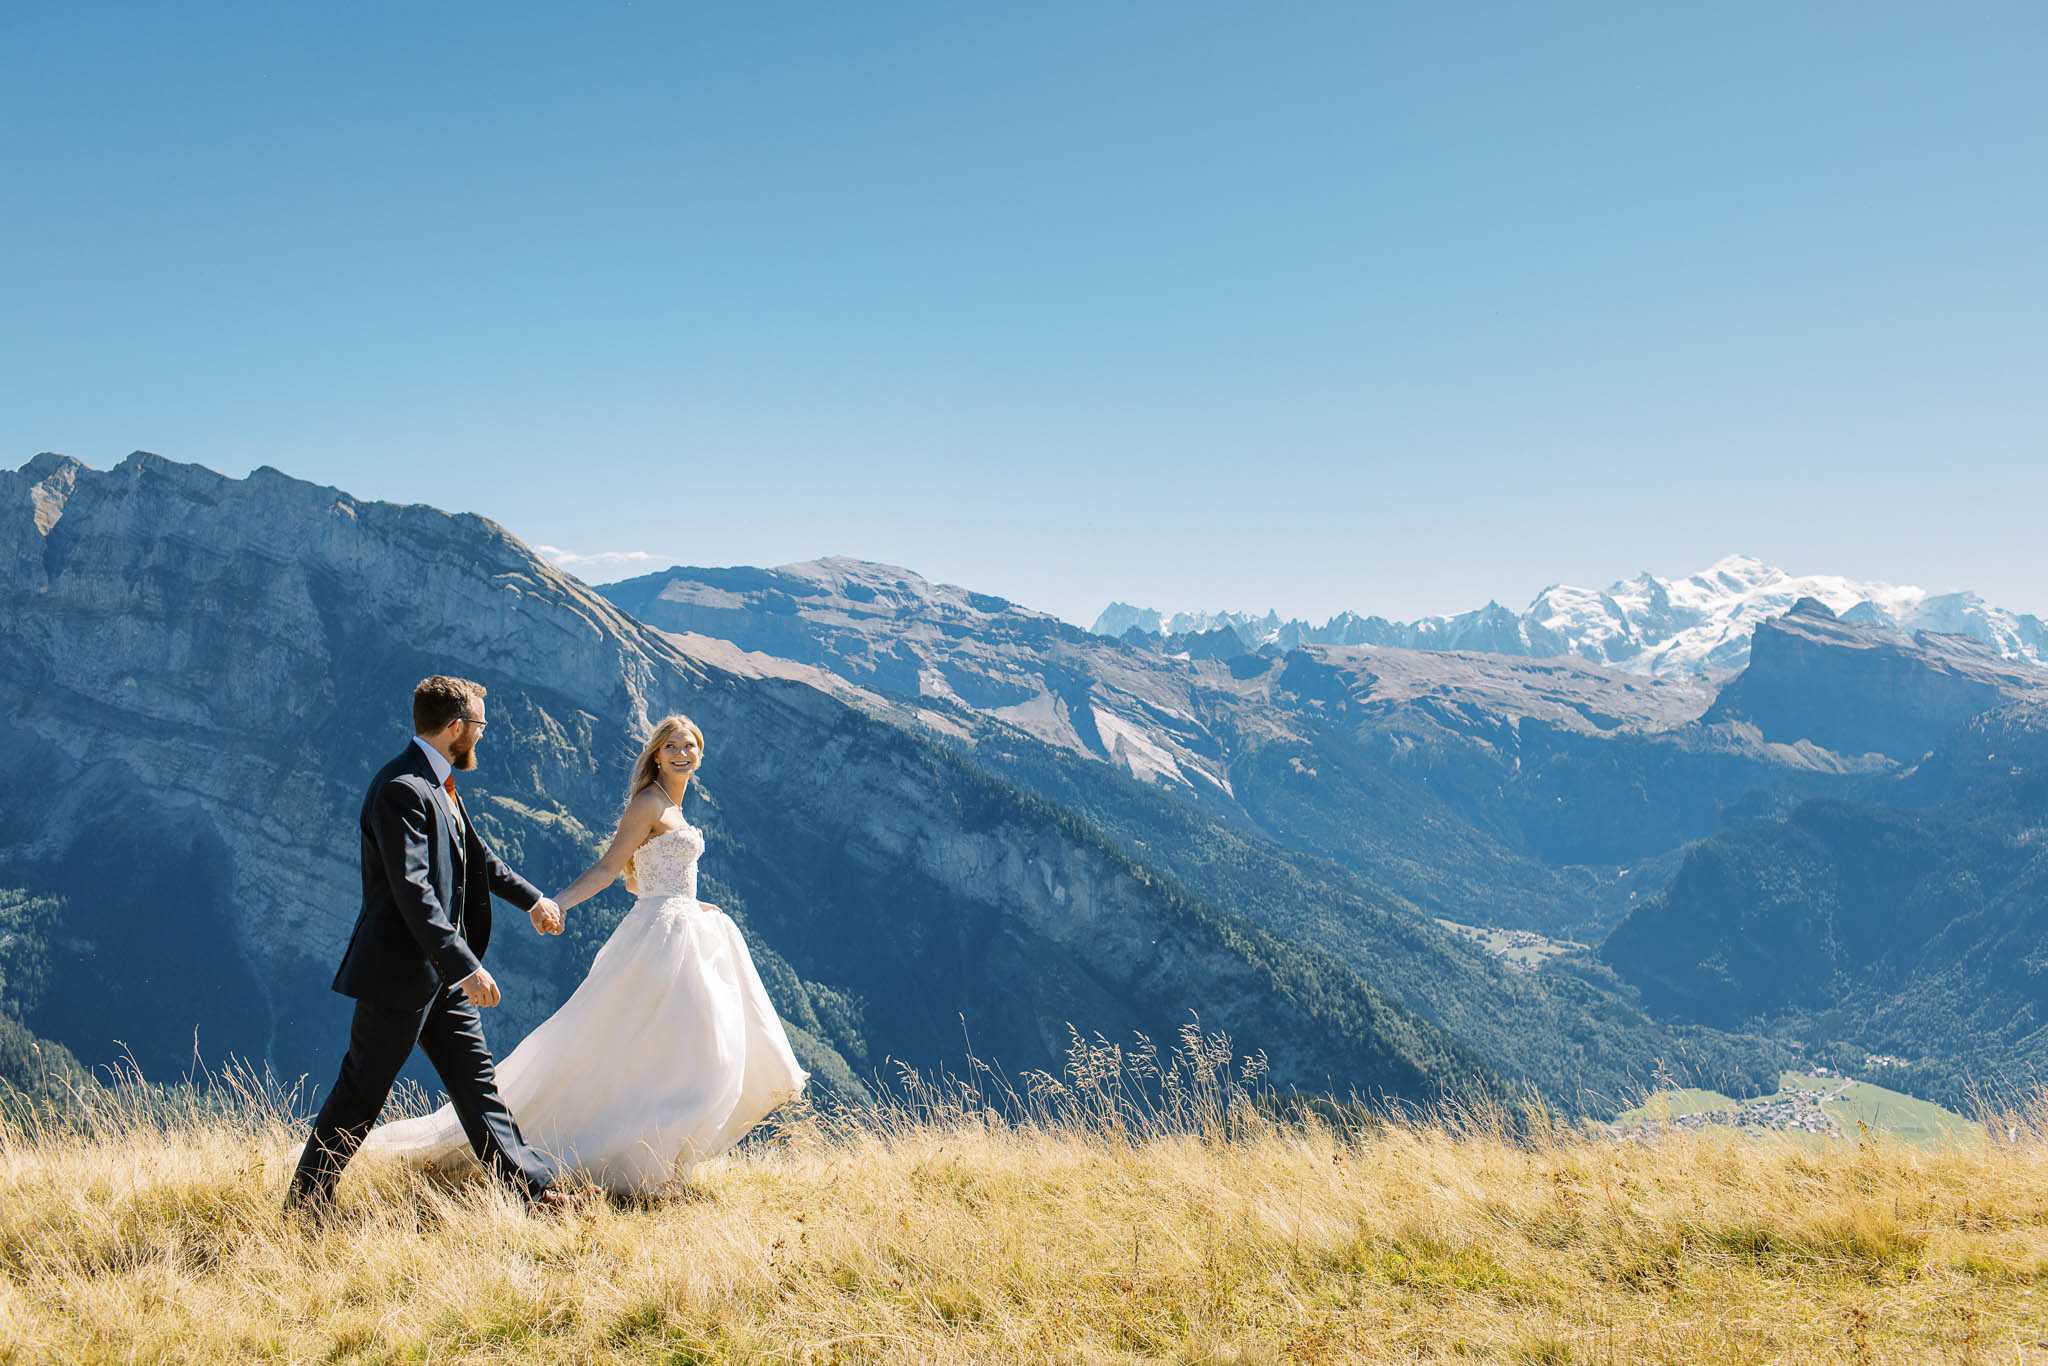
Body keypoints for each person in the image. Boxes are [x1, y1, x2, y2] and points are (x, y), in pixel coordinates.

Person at [360, 713, 810, 1194]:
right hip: (661, 941)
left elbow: (658, 877)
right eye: (673, 746)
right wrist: (554, 903)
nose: (683, 753)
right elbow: (610, 867)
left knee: (692, 1047)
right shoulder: (649, 803)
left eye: (691, 747)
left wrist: (691, 901)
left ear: (700, 754)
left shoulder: (677, 807)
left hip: (690, 928)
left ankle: (666, 1162)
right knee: (673, 1045)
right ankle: (631, 1161)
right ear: (657, 754)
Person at [286, 675, 568, 1214]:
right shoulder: (402, 789)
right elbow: (412, 889)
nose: (481, 737)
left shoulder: (434, 783)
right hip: (401, 975)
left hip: (439, 977)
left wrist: (533, 900)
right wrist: (463, 965)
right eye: (479, 726)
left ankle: (536, 1192)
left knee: (476, 1086)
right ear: (456, 728)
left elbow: (477, 859)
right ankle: (306, 1203)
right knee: (362, 1093)